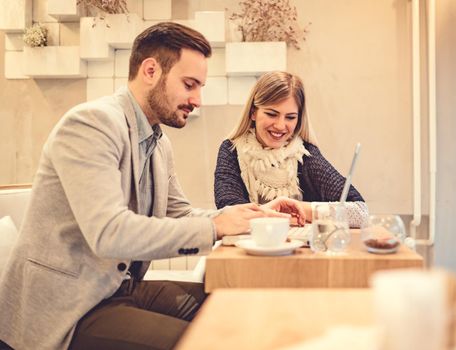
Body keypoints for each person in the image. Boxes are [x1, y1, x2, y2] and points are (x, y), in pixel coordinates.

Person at [0, 23, 305, 350]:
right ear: (150, 71)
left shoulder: (158, 144)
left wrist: (250, 216)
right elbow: (109, 233)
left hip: (119, 290)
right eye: (190, 85)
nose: (197, 100)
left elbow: (180, 213)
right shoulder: (91, 124)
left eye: (200, 87)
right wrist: (215, 228)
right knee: (212, 341)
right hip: (68, 308)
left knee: (234, 303)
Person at [214, 71, 368, 225]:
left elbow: (360, 212)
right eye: (271, 114)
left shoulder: (305, 154)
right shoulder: (231, 150)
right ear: (253, 112)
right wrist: (284, 213)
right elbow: (230, 213)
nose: (280, 125)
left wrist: (296, 208)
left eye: (290, 117)